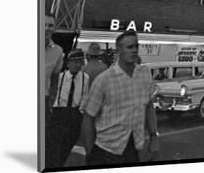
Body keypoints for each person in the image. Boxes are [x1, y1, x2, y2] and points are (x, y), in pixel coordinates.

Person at [82, 30, 159, 166]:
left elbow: (148, 106)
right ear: (118, 50)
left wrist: (154, 137)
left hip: (134, 148)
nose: (134, 50)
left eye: (136, 46)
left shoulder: (145, 73)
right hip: (106, 150)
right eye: (130, 47)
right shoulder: (104, 80)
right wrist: (90, 155)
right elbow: (88, 118)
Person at [46, 49, 90, 168]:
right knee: (54, 144)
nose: (78, 65)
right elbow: (52, 93)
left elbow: (85, 95)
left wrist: (81, 110)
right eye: (75, 62)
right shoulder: (60, 77)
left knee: (69, 142)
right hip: (59, 113)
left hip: (74, 114)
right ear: (68, 63)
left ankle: (60, 163)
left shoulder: (85, 77)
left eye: (80, 62)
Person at [44, 14, 64, 119]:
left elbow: (55, 80)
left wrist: (51, 102)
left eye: (50, 25)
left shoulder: (58, 51)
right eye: (43, 24)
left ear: (54, 28)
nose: (47, 28)